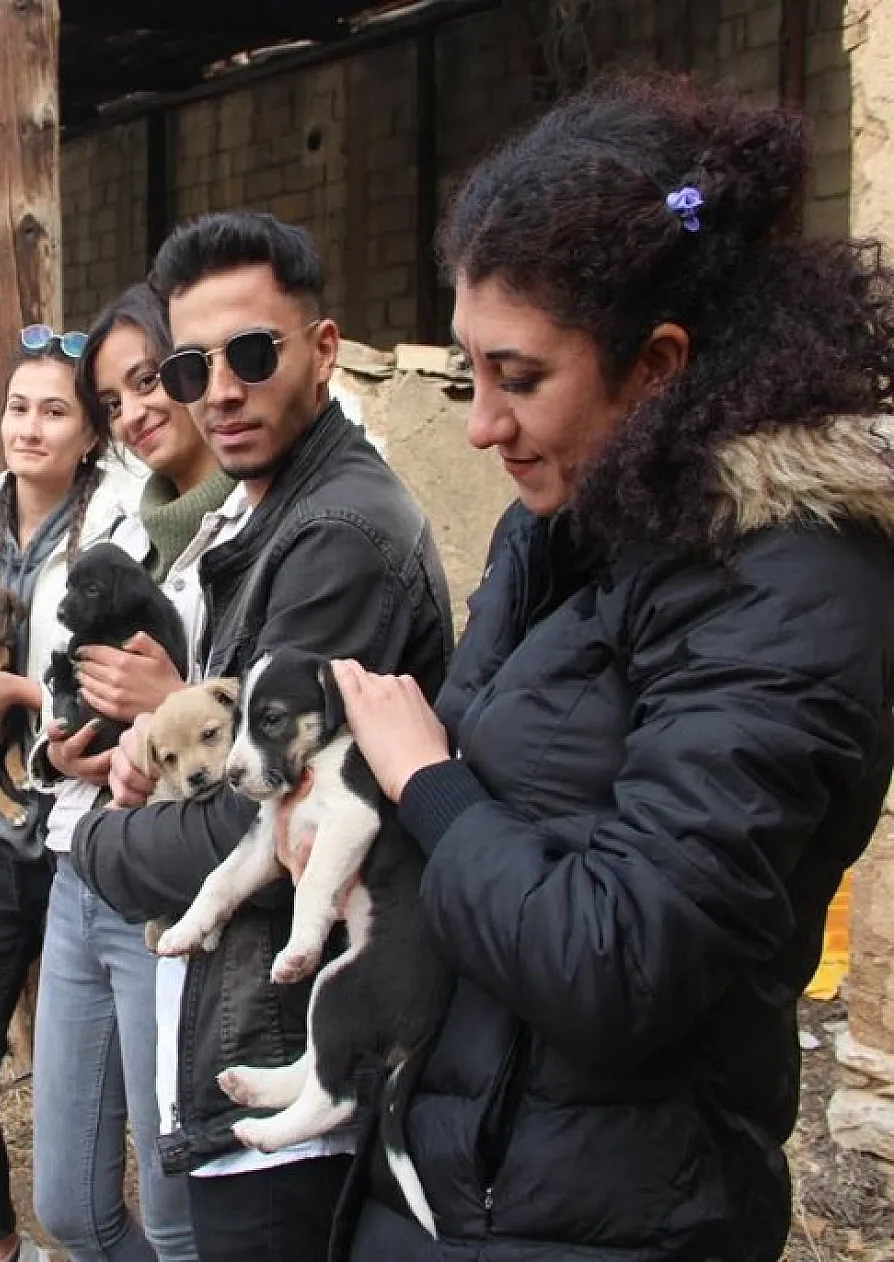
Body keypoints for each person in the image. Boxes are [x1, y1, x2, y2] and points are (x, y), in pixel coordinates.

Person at [325, 76, 894, 1262]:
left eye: (517, 378)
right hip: (457, 1167)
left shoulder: (793, 587)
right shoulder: (570, 521)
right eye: (469, 370)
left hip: (612, 1213)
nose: (478, 424)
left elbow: (617, 959)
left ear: (658, 368)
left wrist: (421, 778)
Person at [70, 211, 452, 1262]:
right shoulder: (262, 515)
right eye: (190, 367)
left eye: (250, 353)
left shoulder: (337, 535)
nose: (218, 391)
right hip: (257, 1030)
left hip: (290, 1041)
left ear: (321, 352)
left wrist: (93, 840)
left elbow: (252, 813)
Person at [0, 326, 148, 1262]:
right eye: (18, 408)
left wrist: (26, 698)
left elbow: (121, 687)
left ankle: (87, 1235)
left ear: (91, 432)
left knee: (87, 1100)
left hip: (82, 839)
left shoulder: (124, 524)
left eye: (56, 411)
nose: (31, 428)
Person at [20, 282, 237, 1262]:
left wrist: (172, 697)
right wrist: (56, 746)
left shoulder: (253, 527)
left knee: (174, 1201)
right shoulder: (132, 524)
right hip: (80, 865)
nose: (138, 410)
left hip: (174, 894)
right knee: (67, 1202)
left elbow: (254, 724)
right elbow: (59, 682)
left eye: (150, 380)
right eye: (113, 400)